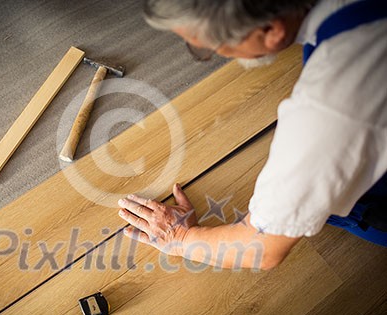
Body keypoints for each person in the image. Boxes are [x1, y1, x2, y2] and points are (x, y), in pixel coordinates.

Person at [117, 0, 387, 270]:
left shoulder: (329, 107)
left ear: (272, 29)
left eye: (210, 48)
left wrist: (181, 237)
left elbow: (261, 246)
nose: (218, 54)